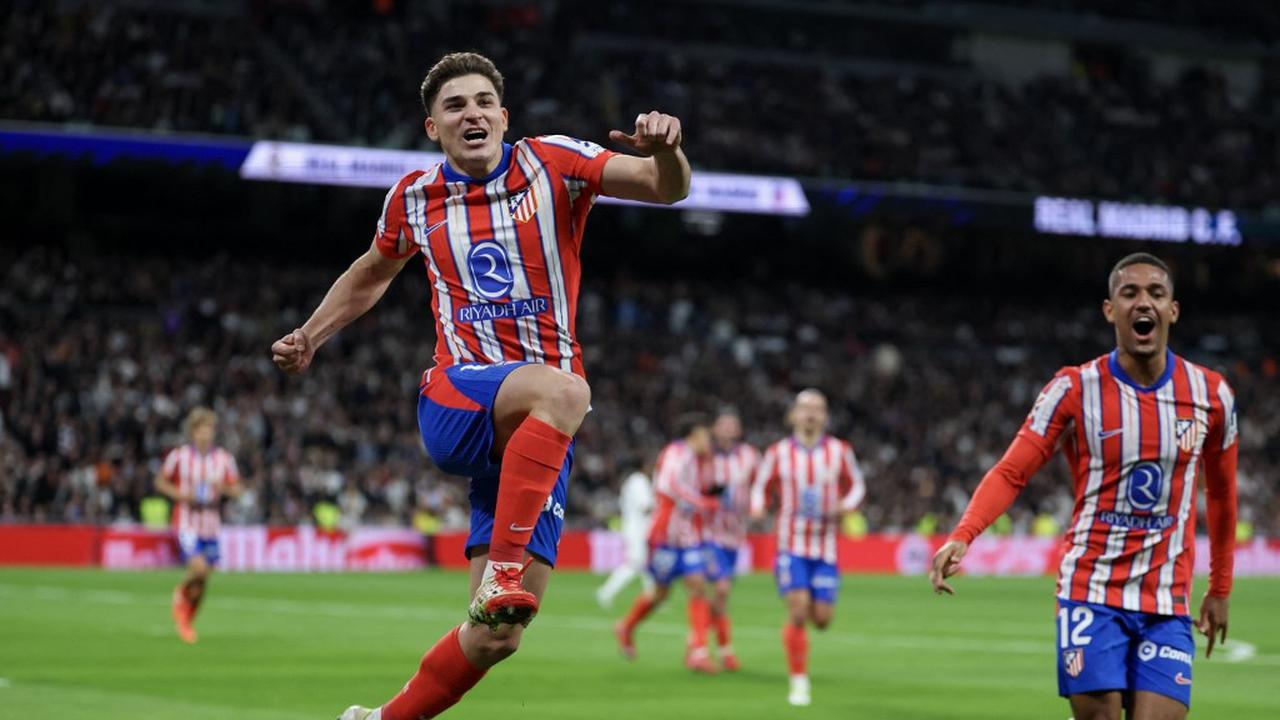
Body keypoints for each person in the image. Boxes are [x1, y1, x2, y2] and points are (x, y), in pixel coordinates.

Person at [269, 51, 690, 720]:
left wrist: (667, 152)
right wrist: (310, 335)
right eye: (455, 105)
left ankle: (380, 719)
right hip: (458, 396)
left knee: (497, 635)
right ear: (432, 127)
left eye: (483, 102)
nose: (472, 113)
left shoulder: (551, 162)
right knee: (569, 391)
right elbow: (372, 271)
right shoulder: (414, 197)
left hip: (536, 435)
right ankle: (503, 570)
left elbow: (665, 188)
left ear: (504, 115)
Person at [929, 253, 1238, 720]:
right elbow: (1013, 471)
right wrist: (963, 533)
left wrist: (1220, 587)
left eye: (1156, 293)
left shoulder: (1211, 395)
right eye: (1129, 293)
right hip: (1091, 590)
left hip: (1166, 598)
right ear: (1110, 310)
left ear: (1173, 310)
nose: (1143, 302)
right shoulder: (1073, 388)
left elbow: (1222, 493)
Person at [750, 389, 866, 706]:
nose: (811, 414)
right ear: (793, 415)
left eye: (817, 408)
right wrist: (758, 507)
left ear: (825, 416)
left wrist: (847, 505)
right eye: (805, 408)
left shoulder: (840, 451)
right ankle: (799, 681)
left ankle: (798, 643)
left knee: (823, 619)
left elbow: (857, 485)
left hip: (825, 548)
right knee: (798, 611)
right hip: (791, 545)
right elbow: (761, 486)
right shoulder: (778, 452)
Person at [614, 415, 719, 672]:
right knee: (660, 594)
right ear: (695, 434)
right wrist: (701, 502)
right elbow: (668, 485)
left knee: (698, 587)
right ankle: (626, 626)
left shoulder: (696, 459)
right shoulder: (677, 452)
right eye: (706, 436)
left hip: (687, 535)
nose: (709, 441)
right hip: (665, 536)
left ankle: (698, 652)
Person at [153, 407, 242, 644]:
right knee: (199, 569)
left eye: (210, 429)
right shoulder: (179, 456)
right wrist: (182, 495)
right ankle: (180, 592)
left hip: (211, 524)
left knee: (203, 580)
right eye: (202, 429)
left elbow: (237, 490)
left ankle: (186, 622)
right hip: (187, 522)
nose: (206, 434)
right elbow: (160, 482)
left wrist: (223, 488)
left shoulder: (224, 459)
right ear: (193, 432)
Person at [703, 408, 759, 671]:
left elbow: (759, 486)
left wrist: (757, 506)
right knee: (721, 589)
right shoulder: (705, 455)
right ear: (715, 428)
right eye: (723, 424)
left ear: (738, 430)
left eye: (732, 425)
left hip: (735, 535)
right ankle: (719, 649)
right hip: (708, 532)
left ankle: (707, 644)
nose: (727, 429)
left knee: (720, 597)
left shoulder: (749, 455)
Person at [595, 457, 656, 609]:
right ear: (644, 466)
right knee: (635, 563)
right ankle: (605, 592)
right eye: (651, 465)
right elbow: (646, 507)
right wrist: (663, 505)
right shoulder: (639, 481)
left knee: (648, 564)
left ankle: (653, 597)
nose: (653, 469)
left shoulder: (633, 481)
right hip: (637, 530)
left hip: (635, 528)